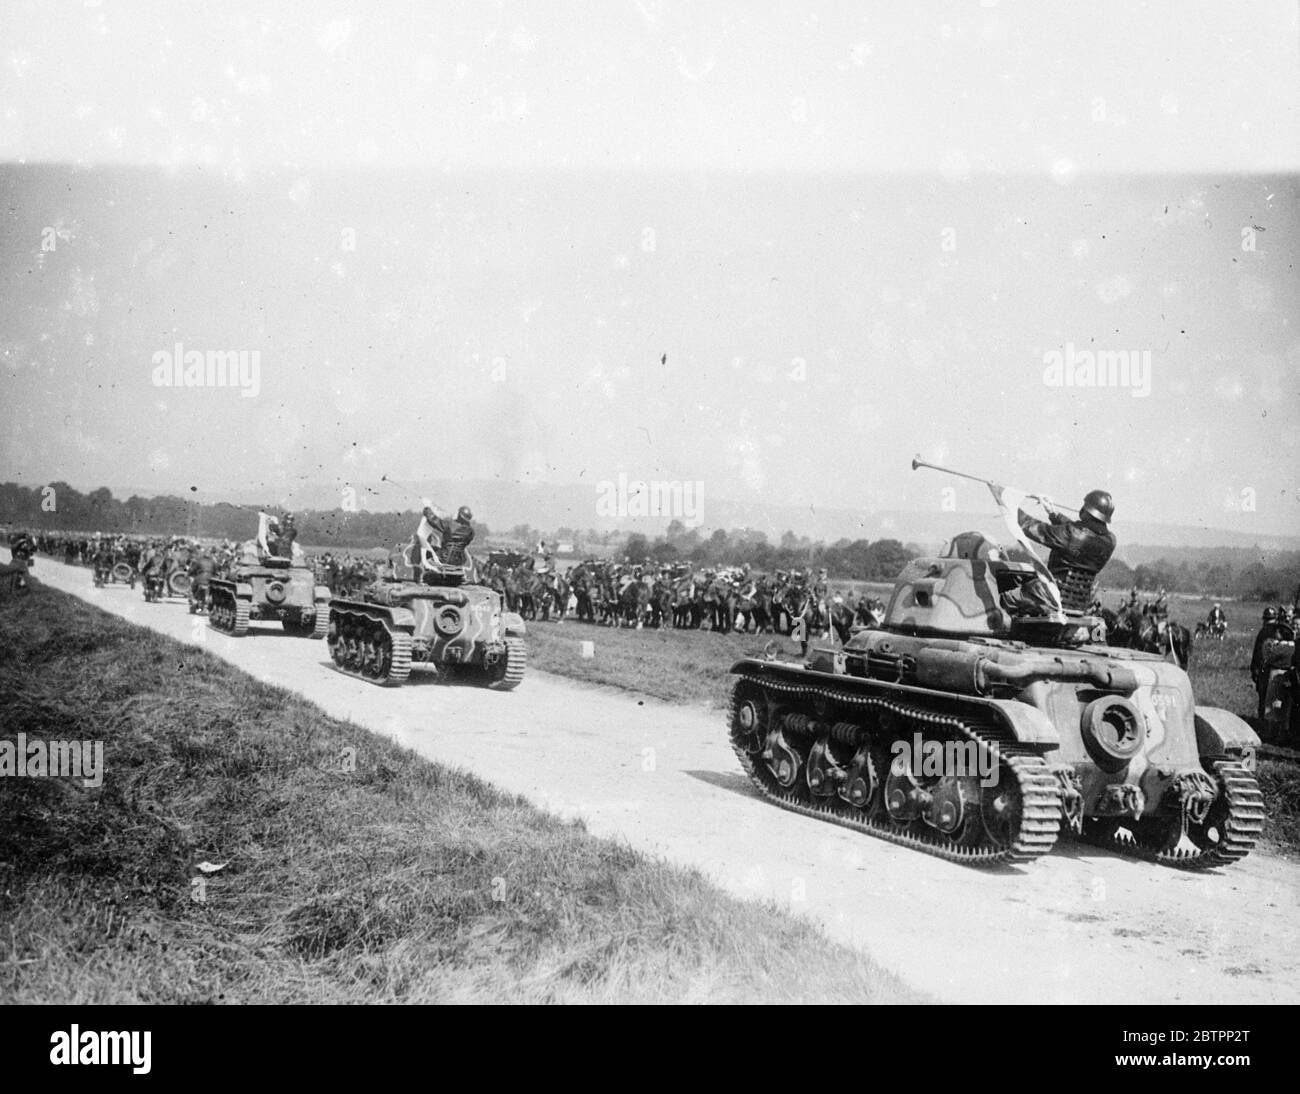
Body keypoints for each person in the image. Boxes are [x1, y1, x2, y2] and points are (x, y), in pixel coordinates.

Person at [990, 486, 1116, 616]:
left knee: (1005, 597)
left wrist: (1005, 501)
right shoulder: (1110, 541)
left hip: (1050, 596)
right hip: (1079, 603)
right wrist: (1052, 513)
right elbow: (1080, 531)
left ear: (1086, 510)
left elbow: (1030, 526)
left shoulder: (1071, 534)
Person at [1250, 606, 1293, 683]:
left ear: (1264, 620)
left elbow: (1257, 652)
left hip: (1266, 670)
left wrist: (1254, 668)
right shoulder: (1283, 630)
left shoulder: (1263, 632)